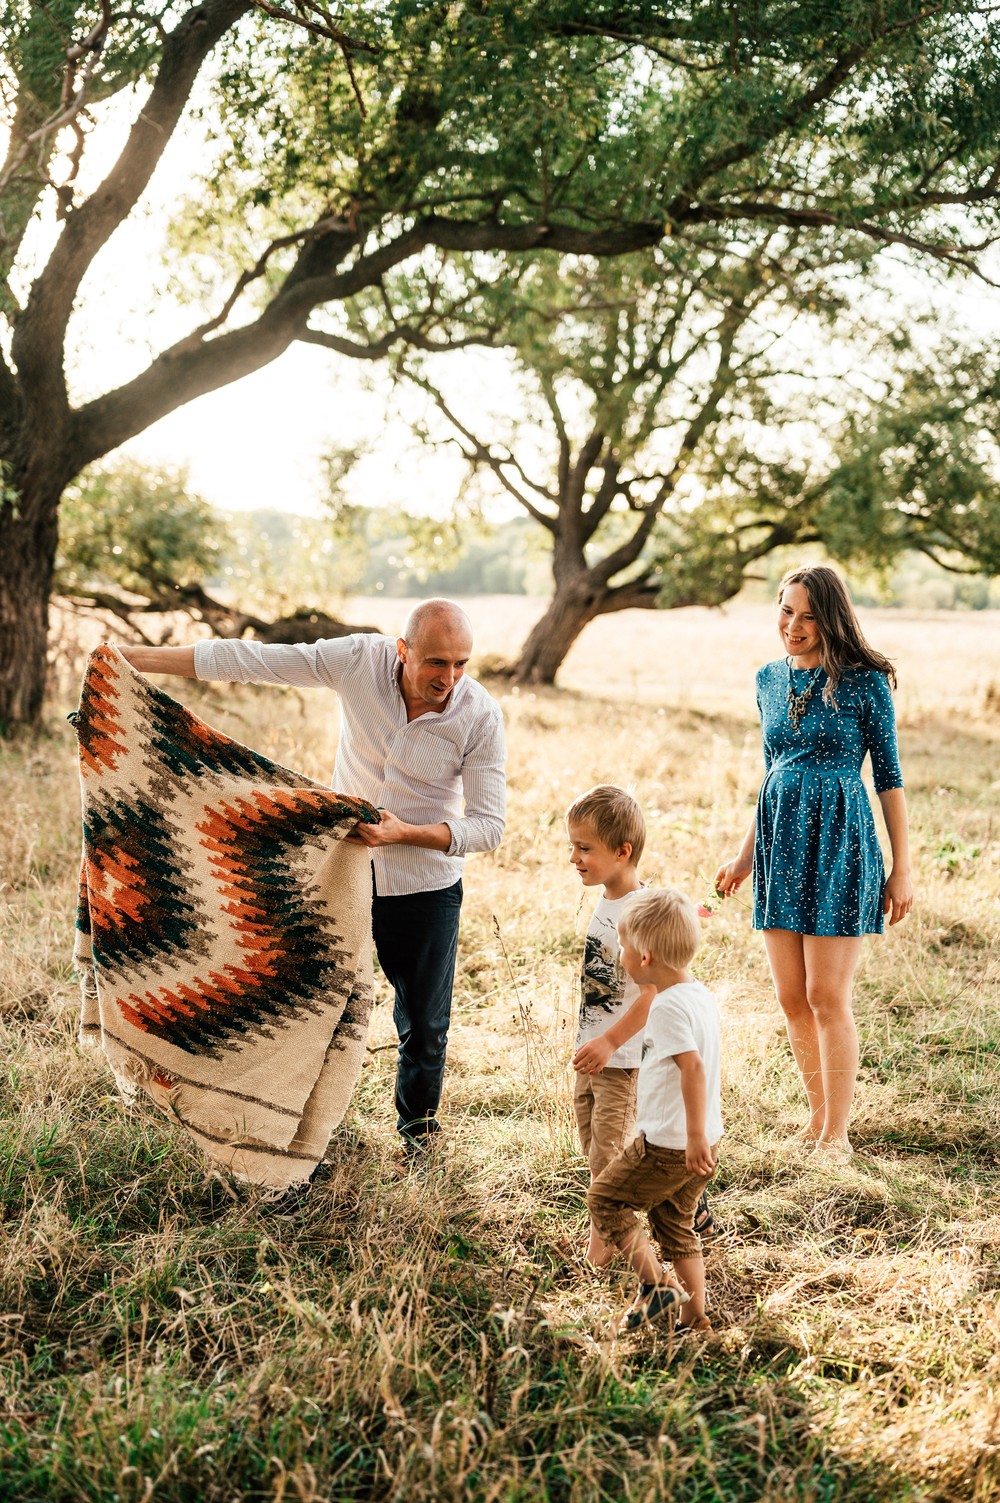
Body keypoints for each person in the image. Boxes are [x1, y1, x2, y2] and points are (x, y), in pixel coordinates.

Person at [118, 598, 506, 1158]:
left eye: (461, 664)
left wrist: (404, 833)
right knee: (308, 1006)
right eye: (436, 663)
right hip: (338, 873)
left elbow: (489, 827)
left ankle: (417, 1142)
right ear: (403, 651)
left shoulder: (479, 714)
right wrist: (131, 659)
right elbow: (252, 660)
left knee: (424, 1026)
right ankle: (296, 1129)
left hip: (424, 886)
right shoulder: (358, 661)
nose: (449, 678)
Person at [715, 565, 912, 1162]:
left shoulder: (864, 681)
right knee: (791, 996)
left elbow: (889, 778)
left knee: (827, 994)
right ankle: (818, 1120)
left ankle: (839, 1136)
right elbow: (771, 768)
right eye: (785, 612)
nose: (792, 627)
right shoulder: (768, 680)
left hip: (839, 842)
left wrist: (903, 866)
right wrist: (745, 855)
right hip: (780, 840)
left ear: (831, 619)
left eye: (806, 615)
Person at [587, 887, 721, 1335]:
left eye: (623, 945)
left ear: (644, 957)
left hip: (669, 1142)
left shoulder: (664, 1007)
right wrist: (703, 1135)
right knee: (675, 1224)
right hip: (701, 1140)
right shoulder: (698, 994)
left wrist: (693, 1135)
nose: (620, 952)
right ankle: (695, 1316)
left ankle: (655, 1286)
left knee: (605, 1199)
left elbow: (693, 1067)